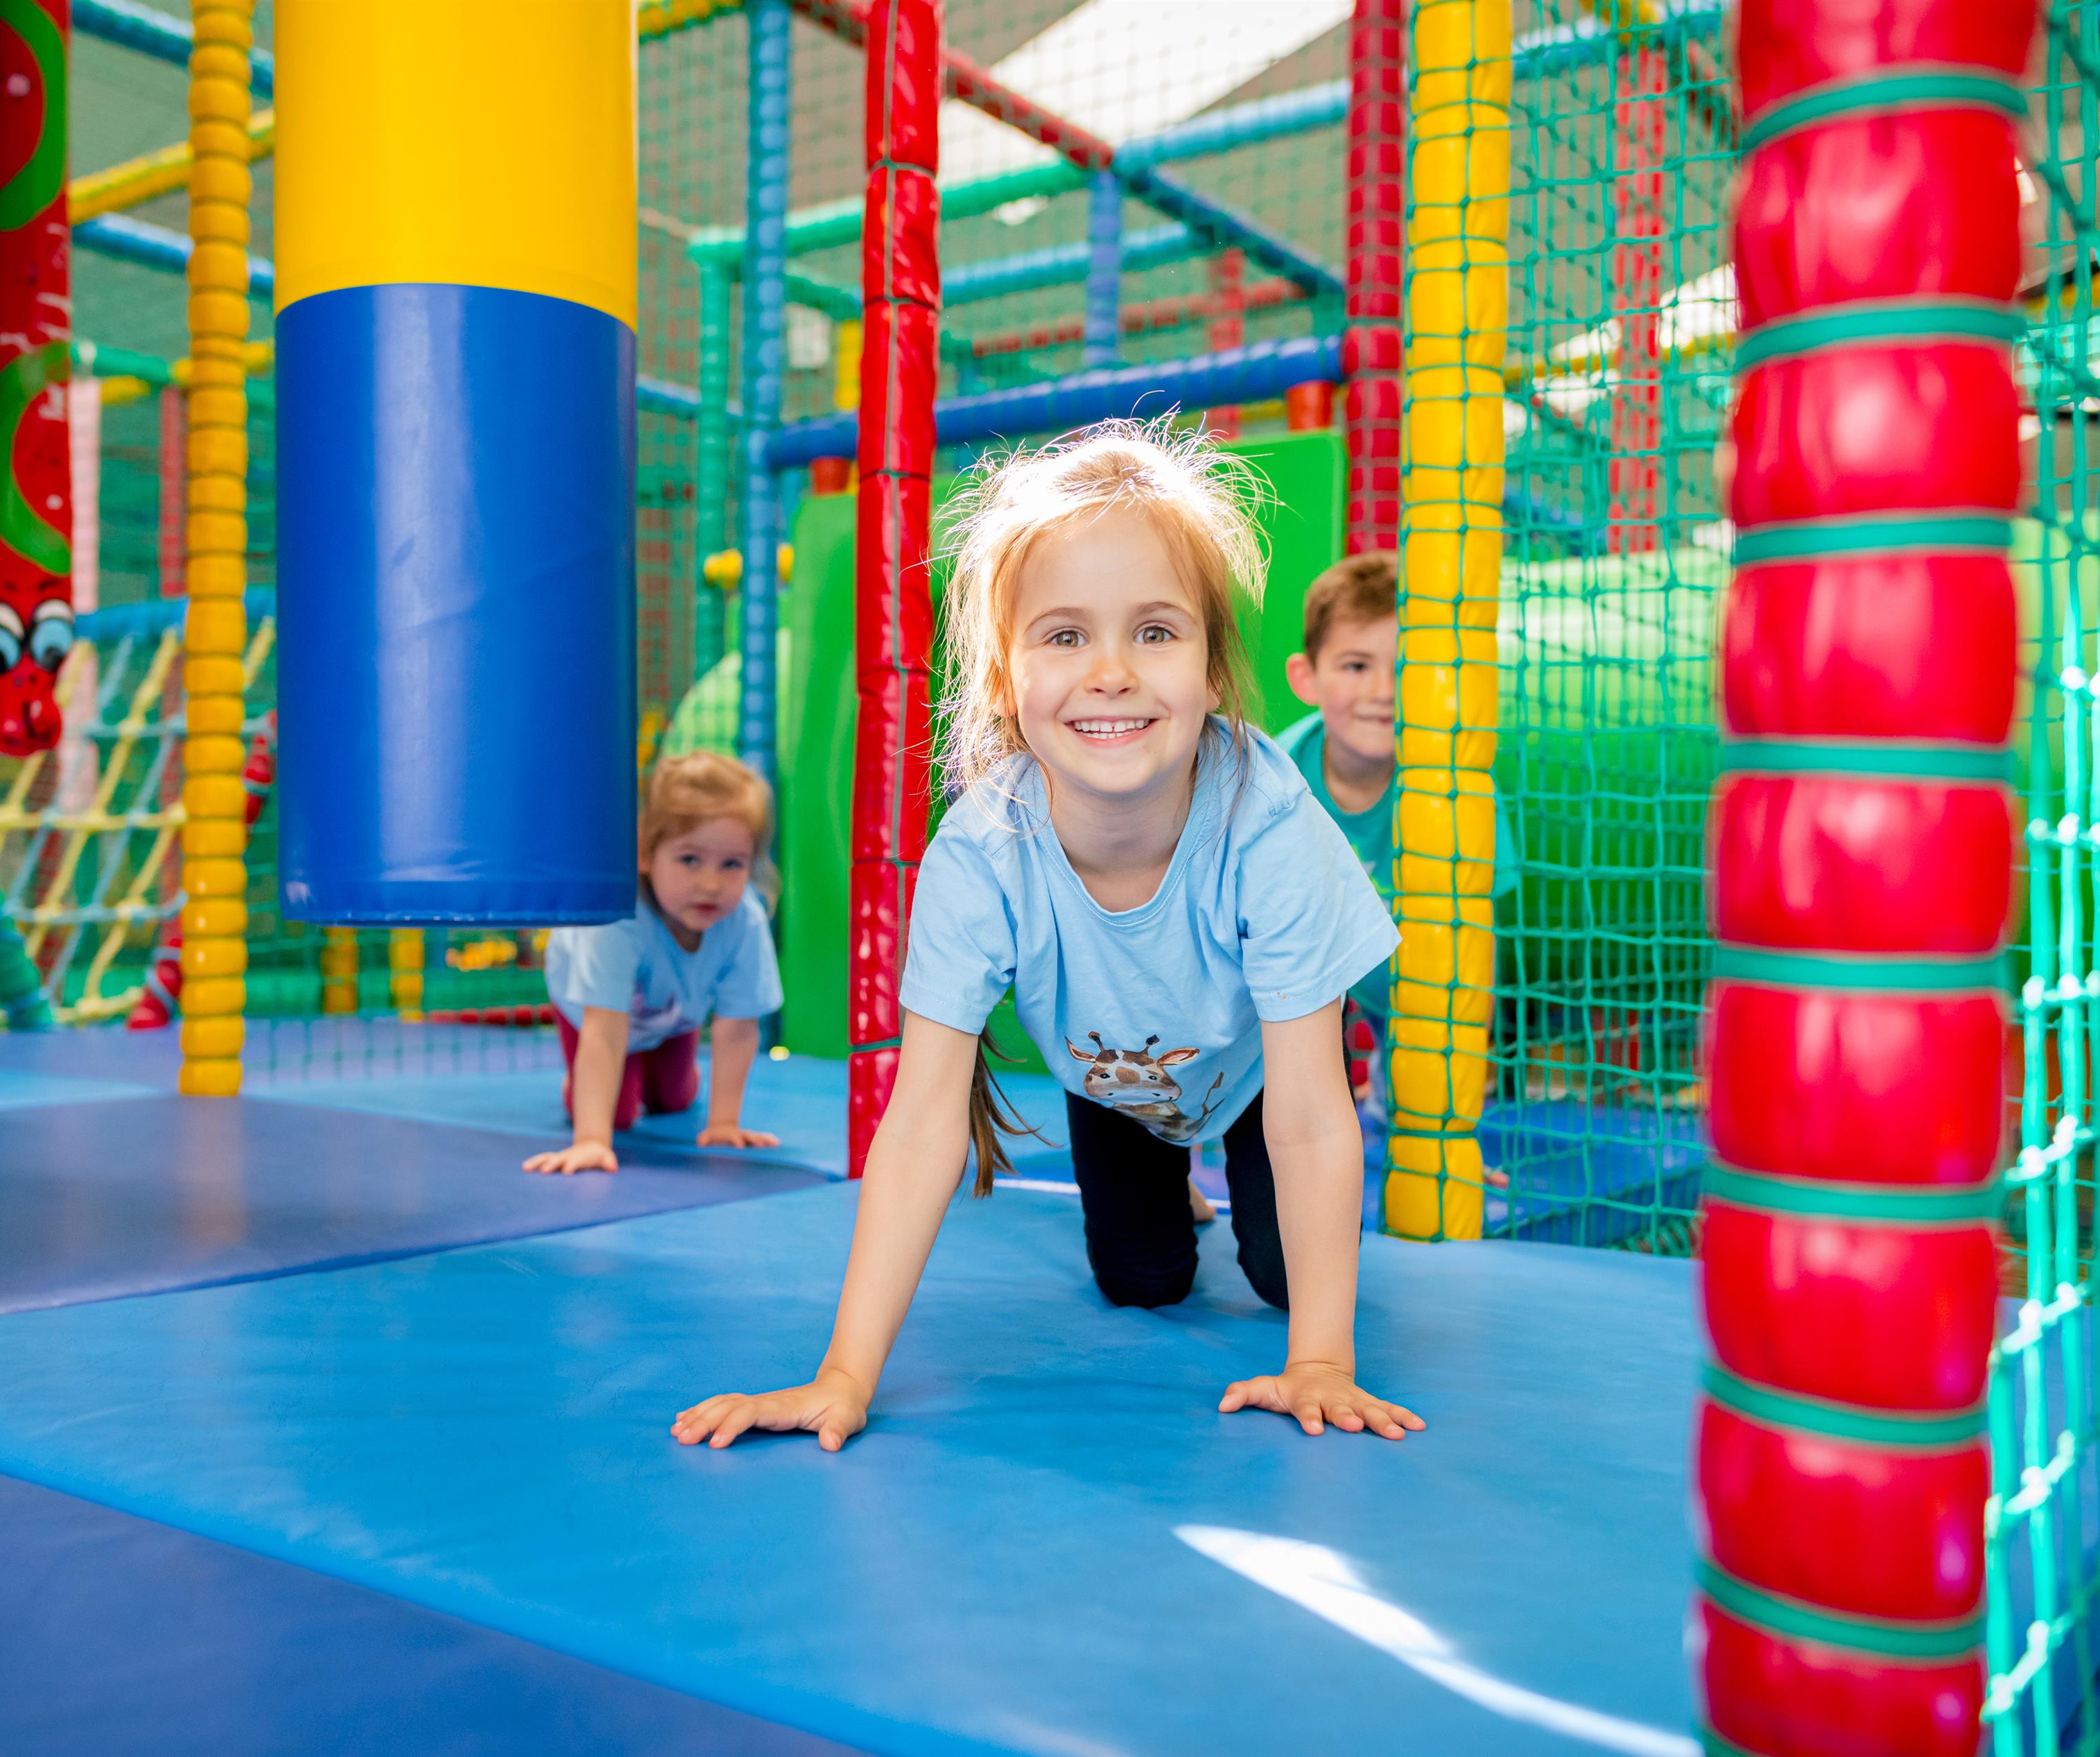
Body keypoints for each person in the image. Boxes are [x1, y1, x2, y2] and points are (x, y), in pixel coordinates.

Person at [672, 420, 1424, 1451]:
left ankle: (1240, 1214)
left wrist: (1322, 1361)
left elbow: (1308, 1114)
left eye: (1154, 632)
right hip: (1115, 1082)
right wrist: (842, 1374)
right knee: (1142, 1281)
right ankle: (1168, 1186)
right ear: (1002, 678)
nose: (1110, 672)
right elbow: (922, 1124)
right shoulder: (983, 851)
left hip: (1261, 1071)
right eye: (1065, 636)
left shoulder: (1267, 817)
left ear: (1212, 672)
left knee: (1286, 1277)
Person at [1276, 551, 1519, 1134]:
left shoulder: (1458, 788)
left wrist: (1455, 1106)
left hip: (1417, 983)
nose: (1384, 691)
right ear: (1306, 678)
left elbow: (1476, 944)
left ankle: (1391, 1089)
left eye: (1408, 666)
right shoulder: (1278, 779)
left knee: (1414, 1120)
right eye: (1356, 665)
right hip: (1304, 978)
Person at [526, 752, 786, 1175]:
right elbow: (603, 1031)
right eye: (690, 860)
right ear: (645, 853)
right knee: (617, 1115)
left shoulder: (744, 920)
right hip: (593, 1013)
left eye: (732, 864)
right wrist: (592, 1140)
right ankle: (579, 1085)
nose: (711, 883)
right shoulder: (618, 921)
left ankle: (659, 1064)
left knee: (674, 1101)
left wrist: (723, 1123)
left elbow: (738, 1026)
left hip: (671, 1014)